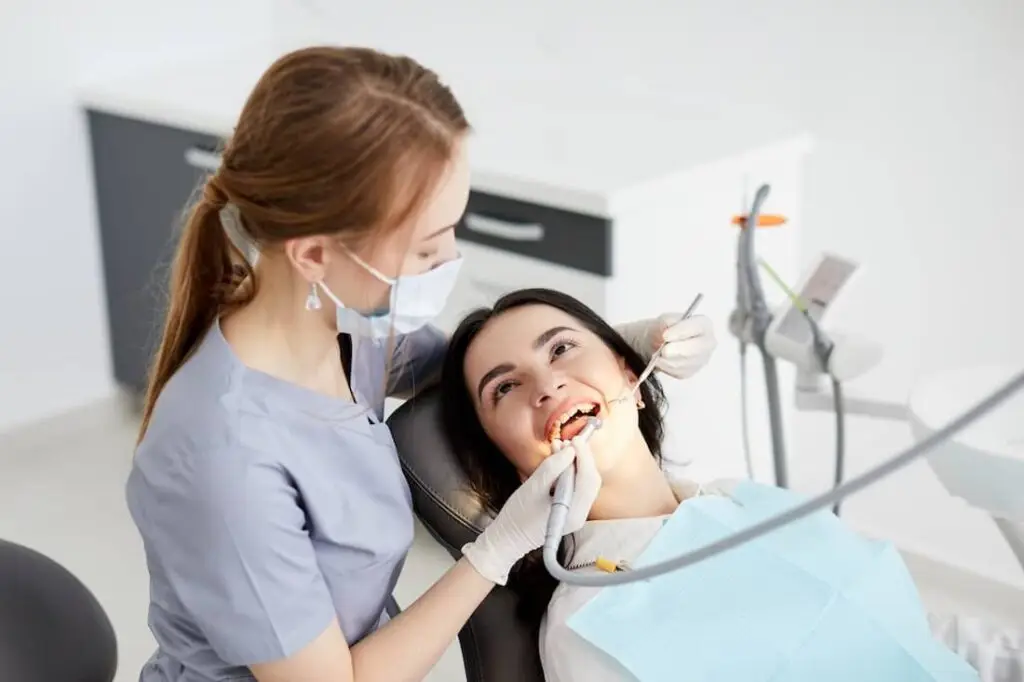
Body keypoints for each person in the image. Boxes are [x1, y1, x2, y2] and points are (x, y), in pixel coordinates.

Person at [125, 45, 718, 682]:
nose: (448, 260)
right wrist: (495, 551)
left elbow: (473, 363)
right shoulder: (221, 456)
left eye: (452, 228)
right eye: (428, 246)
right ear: (315, 256)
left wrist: (626, 342)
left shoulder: (348, 322)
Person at [439, 288, 980, 682]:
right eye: (505, 387)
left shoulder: (744, 500)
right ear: (510, 465)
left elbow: (918, 635)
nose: (548, 383)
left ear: (633, 377)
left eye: (561, 349)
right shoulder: (586, 625)